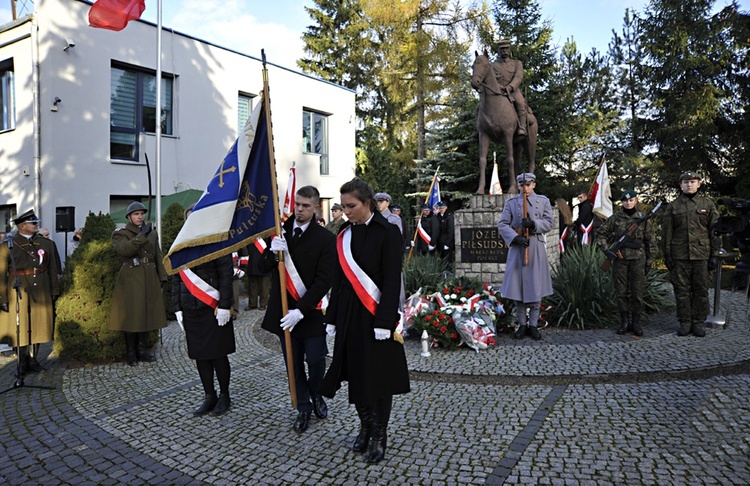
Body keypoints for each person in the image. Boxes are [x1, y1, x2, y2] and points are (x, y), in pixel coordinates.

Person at [320, 178, 410, 465]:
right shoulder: (344, 234)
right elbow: (339, 279)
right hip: (348, 313)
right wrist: (332, 316)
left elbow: (392, 279)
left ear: (367, 203)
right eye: (343, 206)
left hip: (376, 316)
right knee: (355, 373)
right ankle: (365, 425)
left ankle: (379, 435)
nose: (346, 211)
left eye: (351, 206)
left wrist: (385, 321)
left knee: (379, 377)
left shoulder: (388, 232)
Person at [260, 185, 336, 433]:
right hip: (283, 311)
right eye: (297, 205)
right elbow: (260, 268)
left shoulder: (326, 238)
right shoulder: (279, 232)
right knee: (293, 363)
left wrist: (301, 311)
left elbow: (325, 279)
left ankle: (316, 394)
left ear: (316, 208)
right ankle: (303, 406)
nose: (300, 210)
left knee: (315, 360)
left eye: (305, 206)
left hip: (310, 312)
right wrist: (272, 254)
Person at [172, 205, 235, 416]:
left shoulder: (215, 241)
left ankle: (225, 395)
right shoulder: (180, 246)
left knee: (218, 355)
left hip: (213, 308)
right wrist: (177, 308)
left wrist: (225, 305)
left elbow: (226, 275)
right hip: (191, 308)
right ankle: (210, 395)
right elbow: (175, 278)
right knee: (200, 356)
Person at [0, 209, 60, 374]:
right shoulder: (7, 247)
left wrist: (54, 289)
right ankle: (21, 361)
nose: (37, 225)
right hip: (17, 290)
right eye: (33, 223)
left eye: (36, 222)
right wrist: (2, 298)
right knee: (19, 326)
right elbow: (1, 275)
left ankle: (33, 360)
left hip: (41, 289)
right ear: (22, 226)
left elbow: (53, 269)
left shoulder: (47, 244)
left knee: (38, 324)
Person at [108, 202, 168, 366]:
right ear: (129, 217)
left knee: (146, 313)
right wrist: (142, 235)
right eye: (136, 214)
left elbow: (157, 254)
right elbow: (125, 250)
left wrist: (162, 277)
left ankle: (143, 350)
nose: (140, 216)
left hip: (149, 275)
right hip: (131, 276)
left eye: (141, 213)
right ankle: (131, 352)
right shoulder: (121, 234)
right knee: (132, 315)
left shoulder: (151, 233)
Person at [662, 172, 720, 337]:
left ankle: (698, 323)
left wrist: (714, 255)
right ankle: (685, 322)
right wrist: (668, 256)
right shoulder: (674, 207)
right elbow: (667, 234)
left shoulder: (707, 205)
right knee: (682, 290)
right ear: (680, 185)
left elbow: (715, 232)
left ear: (699, 184)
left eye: (693, 182)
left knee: (701, 290)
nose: (689, 185)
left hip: (702, 255)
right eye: (686, 182)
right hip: (680, 255)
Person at [498, 173, 554, 340]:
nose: (525, 188)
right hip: (518, 247)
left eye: (528, 184)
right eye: (522, 184)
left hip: (535, 246)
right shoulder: (512, 203)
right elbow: (502, 224)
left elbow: (549, 223)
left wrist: (534, 224)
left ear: (534, 185)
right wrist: (515, 238)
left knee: (535, 287)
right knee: (518, 287)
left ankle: (534, 325)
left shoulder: (543, 201)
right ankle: (522, 325)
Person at [596, 190, 654, 336]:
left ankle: (635, 322)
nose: (628, 203)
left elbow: (651, 241)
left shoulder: (643, 219)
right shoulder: (615, 218)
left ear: (636, 201)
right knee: (621, 292)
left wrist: (650, 260)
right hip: (620, 260)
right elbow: (600, 234)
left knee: (637, 292)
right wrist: (607, 250)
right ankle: (624, 322)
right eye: (625, 201)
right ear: (622, 202)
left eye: (631, 200)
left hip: (638, 260)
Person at [491, 38, 528, 136]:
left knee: (520, 103)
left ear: (509, 50)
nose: (504, 51)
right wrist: (498, 87)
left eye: (506, 48)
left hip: (513, 91)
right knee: (481, 106)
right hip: (498, 91)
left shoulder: (517, 63)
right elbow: (491, 79)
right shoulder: (492, 65)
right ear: (498, 51)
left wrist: (510, 87)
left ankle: (522, 127)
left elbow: (518, 77)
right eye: (502, 49)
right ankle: (480, 128)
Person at [246, 242, 271, 311]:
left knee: (264, 286)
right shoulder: (250, 236)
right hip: (252, 263)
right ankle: (252, 304)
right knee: (252, 286)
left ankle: (263, 304)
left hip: (264, 264)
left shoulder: (266, 234)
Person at [231, 247, 249, 317]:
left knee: (234, 292)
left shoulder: (236, 237)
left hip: (234, 269)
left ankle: (234, 311)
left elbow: (244, 254)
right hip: (221, 269)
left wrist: (243, 268)